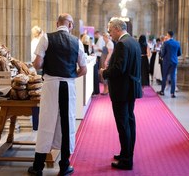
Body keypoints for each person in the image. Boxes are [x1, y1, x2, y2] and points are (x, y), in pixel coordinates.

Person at [27, 13, 87, 176]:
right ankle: (64, 165)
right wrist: (71, 74)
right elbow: (84, 69)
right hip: (68, 85)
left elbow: (38, 63)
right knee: (67, 122)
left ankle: (38, 167)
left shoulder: (46, 38)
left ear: (57, 24)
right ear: (70, 25)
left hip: (50, 84)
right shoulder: (77, 42)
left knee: (46, 121)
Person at [100, 17, 142, 170]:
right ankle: (126, 153)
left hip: (122, 90)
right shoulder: (133, 41)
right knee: (129, 122)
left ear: (117, 29)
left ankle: (126, 160)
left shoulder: (122, 44)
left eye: (111, 31)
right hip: (130, 89)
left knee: (124, 125)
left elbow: (119, 69)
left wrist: (105, 73)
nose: (110, 34)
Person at [157, 31, 181, 98]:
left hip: (166, 61)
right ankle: (172, 93)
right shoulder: (177, 43)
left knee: (164, 76)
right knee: (173, 77)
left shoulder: (166, 43)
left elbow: (162, 53)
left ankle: (162, 91)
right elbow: (179, 53)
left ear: (168, 35)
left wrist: (161, 56)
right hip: (174, 61)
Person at [92, 31, 105, 95]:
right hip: (99, 55)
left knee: (100, 69)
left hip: (99, 55)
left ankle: (101, 80)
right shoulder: (100, 39)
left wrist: (94, 47)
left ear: (97, 34)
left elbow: (100, 48)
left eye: (95, 35)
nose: (95, 36)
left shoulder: (100, 39)